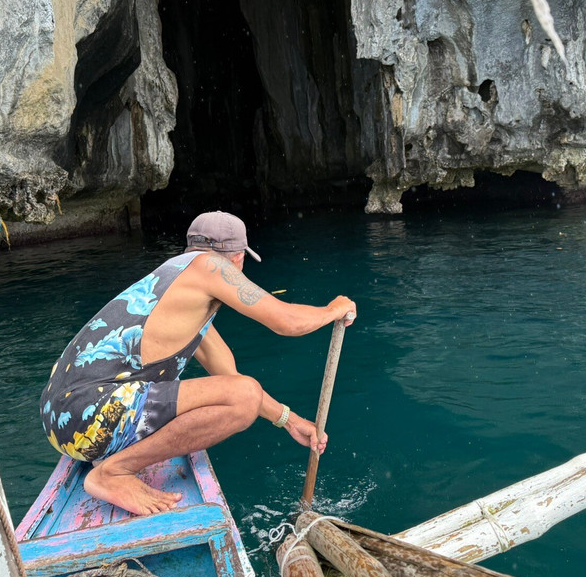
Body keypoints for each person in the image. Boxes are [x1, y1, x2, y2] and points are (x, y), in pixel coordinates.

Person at [40, 211, 357, 516]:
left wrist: (288, 420)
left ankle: (109, 458)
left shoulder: (180, 286)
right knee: (244, 395)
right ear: (237, 258)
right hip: (89, 416)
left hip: (62, 422)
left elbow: (228, 379)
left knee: (240, 392)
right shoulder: (209, 267)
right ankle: (113, 473)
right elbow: (285, 322)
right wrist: (334, 309)